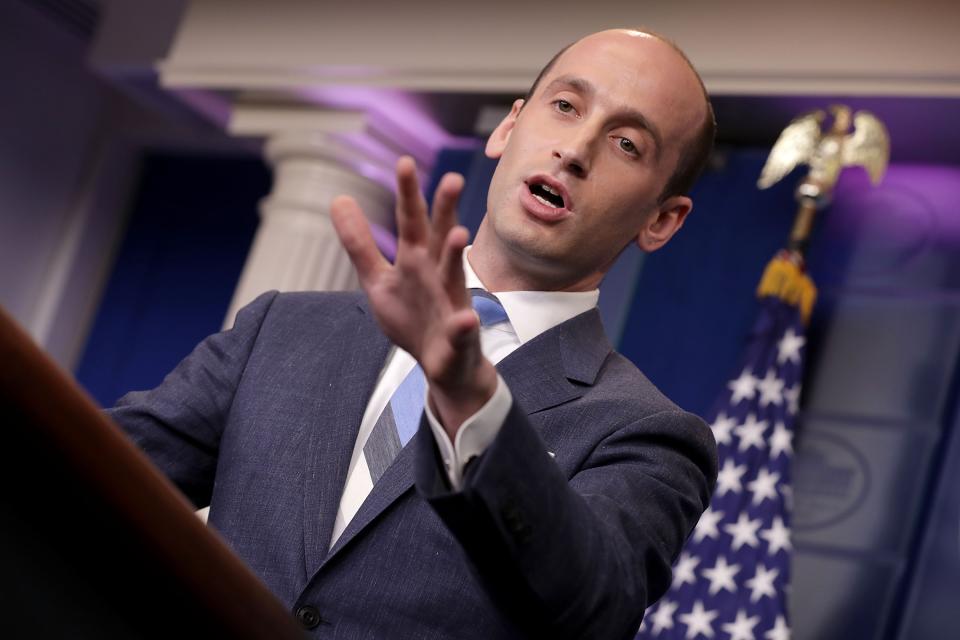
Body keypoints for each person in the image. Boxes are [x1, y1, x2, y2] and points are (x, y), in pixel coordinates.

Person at [108, 28, 718, 639]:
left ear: (662, 220)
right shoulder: (282, 329)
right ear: (509, 128)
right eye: (565, 106)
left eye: (627, 143)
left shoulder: (648, 434)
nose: (577, 149)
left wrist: (469, 400)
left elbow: (592, 606)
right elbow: (99, 467)